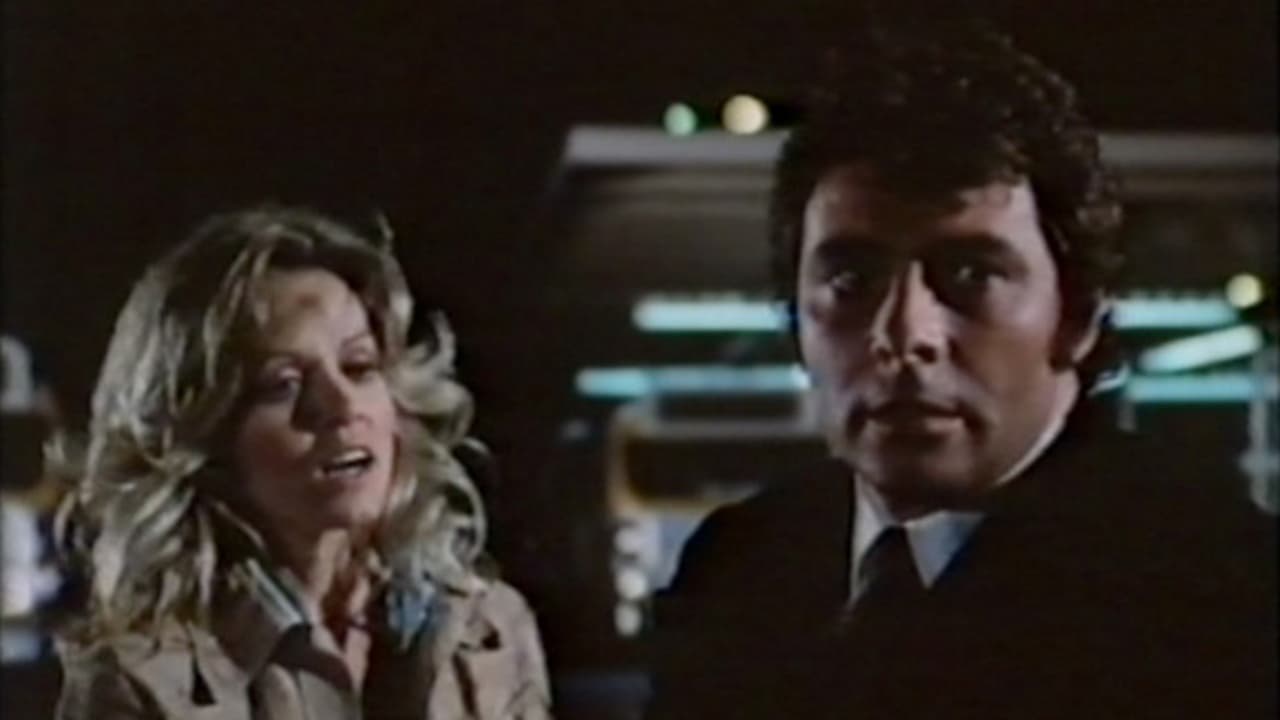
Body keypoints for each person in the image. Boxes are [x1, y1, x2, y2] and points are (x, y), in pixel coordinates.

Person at [648, 17, 1275, 720]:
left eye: (972, 275)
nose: (904, 335)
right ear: (795, 319)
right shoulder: (736, 567)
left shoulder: (1223, 595)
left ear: (1076, 318)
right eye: (851, 281)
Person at [51, 207, 552, 719]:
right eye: (284, 384)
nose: (342, 406)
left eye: (359, 366)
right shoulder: (141, 680)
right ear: (204, 436)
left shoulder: (490, 630)